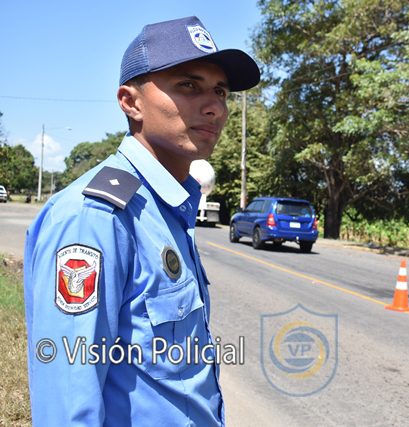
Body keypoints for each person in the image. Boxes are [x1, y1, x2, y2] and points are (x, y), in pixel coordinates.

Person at [23, 16, 260, 426]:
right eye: (189, 86)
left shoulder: (168, 205)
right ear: (131, 102)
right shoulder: (95, 216)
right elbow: (67, 402)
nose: (215, 107)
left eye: (220, 91)